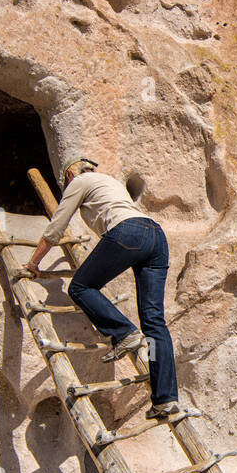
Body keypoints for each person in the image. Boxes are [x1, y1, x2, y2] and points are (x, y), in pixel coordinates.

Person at [25, 157, 181, 419]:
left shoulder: (80, 181)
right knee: (154, 323)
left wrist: (34, 261)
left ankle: (123, 333)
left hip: (128, 233)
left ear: (70, 174)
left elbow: (57, 225)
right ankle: (166, 399)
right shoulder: (110, 182)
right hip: (156, 237)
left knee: (81, 287)